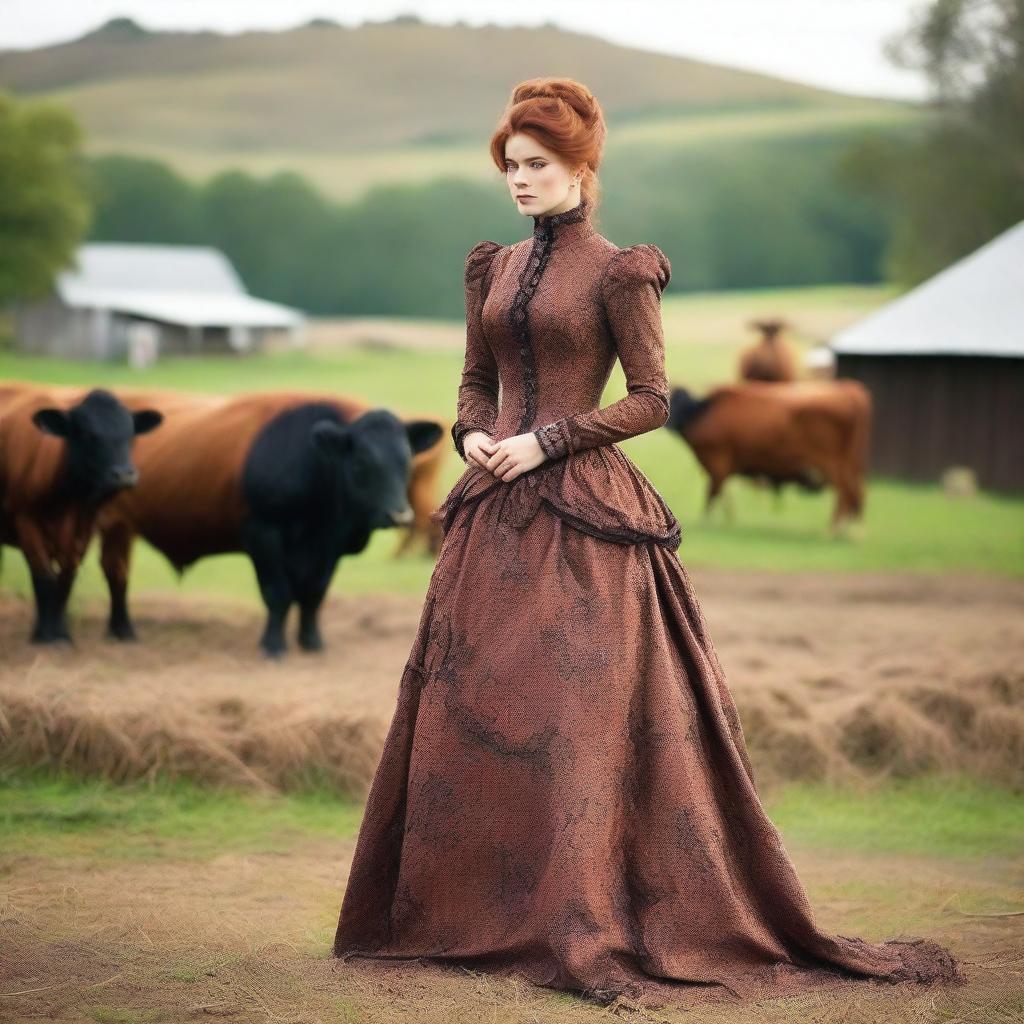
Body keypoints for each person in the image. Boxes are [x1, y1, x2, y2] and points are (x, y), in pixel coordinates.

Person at [331, 77, 965, 1009]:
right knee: (472, 709)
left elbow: (654, 398)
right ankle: (463, 916)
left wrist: (546, 441)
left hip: (587, 519)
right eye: (510, 166)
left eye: (536, 166)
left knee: (577, 720)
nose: (519, 181)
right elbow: (473, 380)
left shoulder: (621, 269)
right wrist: (474, 437)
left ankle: (581, 916)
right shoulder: (491, 267)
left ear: (582, 169)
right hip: (492, 518)